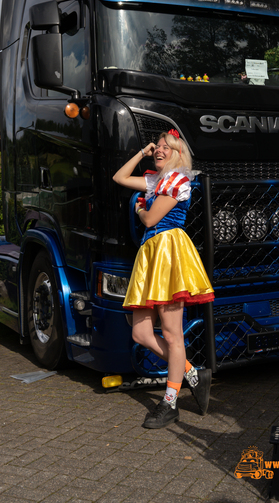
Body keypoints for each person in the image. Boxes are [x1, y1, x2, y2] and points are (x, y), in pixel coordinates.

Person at [113, 129, 215, 428]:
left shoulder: (178, 180)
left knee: (172, 333)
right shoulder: (156, 181)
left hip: (168, 252)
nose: (159, 150)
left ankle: (170, 402)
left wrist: (140, 206)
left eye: (165, 148)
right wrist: (141, 153)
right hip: (150, 253)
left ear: (178, 154)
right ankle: (192, 373)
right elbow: (119, 177)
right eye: (157, 147)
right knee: (141, 333)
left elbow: (149, 219)